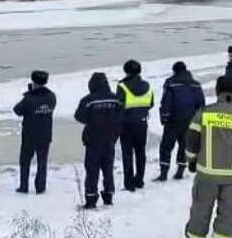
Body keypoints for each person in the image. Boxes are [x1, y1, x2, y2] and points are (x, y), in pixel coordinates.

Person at [183, 77, 232, 238]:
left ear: (217, 92)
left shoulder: (204, 113)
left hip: (207, 172)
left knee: (201, 207)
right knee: (229, 209)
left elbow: (191, 140)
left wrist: (191, 161)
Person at [75, 72, 122, 209]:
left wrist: (92, 120)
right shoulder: (115, 99)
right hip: (110, 139)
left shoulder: (88, 100)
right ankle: (108, 197)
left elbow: (79, 117)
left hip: (93, 139)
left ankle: (91, 199)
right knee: (108, 170)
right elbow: (121, 114)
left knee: (92, 171)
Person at [154, 61, 205, 182]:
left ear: (174, 71)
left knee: (166, 146)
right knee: (184, 145)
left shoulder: (171, 83)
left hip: (173, 120)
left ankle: (163, 173)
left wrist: (164, 117)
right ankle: (180, 171)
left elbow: (166, 102)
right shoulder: (196, 85)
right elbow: (201, 104)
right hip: (190, 120)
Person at [14, 70, 57, 194]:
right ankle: (40, 187)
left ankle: (24, 186)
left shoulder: (29, 99)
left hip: (29, 135)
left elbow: (17, 110)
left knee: (25, 161)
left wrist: (29, 93)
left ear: (34, 82)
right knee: (42, 162)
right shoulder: (51, 97)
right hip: (45, 134)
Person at [116, 60, 154, 191]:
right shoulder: (147, 86)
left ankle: (129, 183)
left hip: (126, 124)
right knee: (140, 151)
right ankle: (139, 180)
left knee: (127, 153)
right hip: (142, 122)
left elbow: (118, 105)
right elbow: (151, 103)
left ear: (126, 71)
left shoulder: (123, 86)